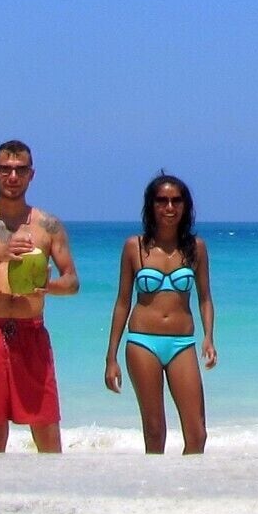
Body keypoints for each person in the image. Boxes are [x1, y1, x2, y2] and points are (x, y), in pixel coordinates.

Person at [0, 139, 80, 453]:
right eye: (6, 169)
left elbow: (72, 281)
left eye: (20, 170)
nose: (12, 176)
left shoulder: (48, 224)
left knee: (46, 430)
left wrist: (48, 286)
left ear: (31, 175)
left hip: (30, 331)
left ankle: (53, 500)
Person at [102, 172, 217, 454]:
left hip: (182, 343)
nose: (169, 207)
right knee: (154, 431)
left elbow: (204, 298)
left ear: (185, 206)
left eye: (176, 201)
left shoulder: (196, 248)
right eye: (162, 200)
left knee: (197, 432)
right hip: (143, 342)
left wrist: (209, 338)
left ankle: (188, 490)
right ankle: (157, 491)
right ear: (151, 205)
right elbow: (122, 301)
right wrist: (111, 357)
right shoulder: (135, 247)